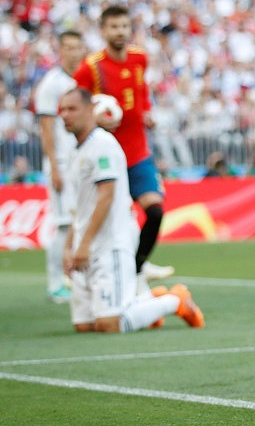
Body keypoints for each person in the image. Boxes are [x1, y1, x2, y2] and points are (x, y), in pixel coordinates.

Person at [58, 88, 203, 333]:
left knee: (109, 325)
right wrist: (69, 247)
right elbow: (79, 208)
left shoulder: (102, 145)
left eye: (72, 109)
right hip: (85, 243)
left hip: (109, 245)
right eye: (62, 110)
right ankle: (147, 303)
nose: (65, 115)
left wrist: (84, 244)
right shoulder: (75, 151)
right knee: (84, 326)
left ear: (91, 110)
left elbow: (106, 196)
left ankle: (175, 300)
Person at [74, 5, 174, 290]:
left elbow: (141, 92)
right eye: (114, 27)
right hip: (107, 156)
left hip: (138, 152)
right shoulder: (91, 67)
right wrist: (95, 121)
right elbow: (74, 107)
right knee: (113, 221)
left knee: (155, 211)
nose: (120, 32)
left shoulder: (139, 58)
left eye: (124, 26)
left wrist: (147, 112)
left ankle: (138, 267)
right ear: (103, 31)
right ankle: (92, 275)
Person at [33, 30, 86, 303]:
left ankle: (76, 279)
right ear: (61, 50)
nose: (74, 52)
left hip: (82, 161)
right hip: (62, 163)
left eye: (78, 47)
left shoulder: (83, 80)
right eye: (69, 47)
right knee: (64, 223)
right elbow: (46, 128)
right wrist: (53, 166)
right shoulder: (51, 84)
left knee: (80, 221)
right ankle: (55, 284)